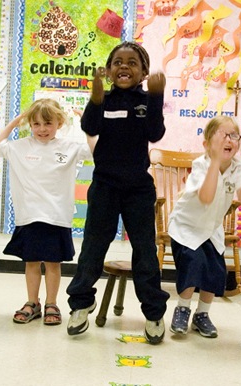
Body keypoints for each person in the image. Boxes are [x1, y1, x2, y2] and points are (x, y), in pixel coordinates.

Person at [65, 41, 170, 344]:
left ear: (144, 71)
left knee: (145, 251)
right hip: (105, 186)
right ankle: (81, 304)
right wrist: (97, 97)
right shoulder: (105, 98)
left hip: (138, 187)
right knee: (93, 248)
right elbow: (90, 126)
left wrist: (157, 96)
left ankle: (153, 312)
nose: (124, 66)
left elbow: (155, 133)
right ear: (109, 70)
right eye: (118, 62)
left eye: (132, 62)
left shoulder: (145, 100)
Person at [0, 98, 94, 326]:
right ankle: (32, 302)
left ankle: (51, 303)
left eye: (48, 123)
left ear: (59, 122)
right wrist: (16, 121)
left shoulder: (69, 147)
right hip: (29, 215)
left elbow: (95, 151)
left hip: (57, 216)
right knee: (31, 262)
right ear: (30, 125)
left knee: (54, 263)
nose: (42, 129)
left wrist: (87, 124)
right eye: (36, 124)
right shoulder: (20, 146)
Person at [167, 116, 241, 338]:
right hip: (186, 227)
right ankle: (182, 308)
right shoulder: (202, 164)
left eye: (233, 136)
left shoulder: (238, 167)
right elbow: (206, 197)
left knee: (215, 270)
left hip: (211, 230)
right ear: (207, 144)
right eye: (222, 135)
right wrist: (216, 162)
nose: (228, 140)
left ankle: (202, 315)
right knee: (193, 263)